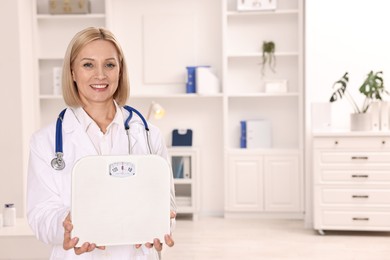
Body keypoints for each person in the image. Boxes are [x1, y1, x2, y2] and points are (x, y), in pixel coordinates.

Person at [26, 27, 176, 260]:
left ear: (120, 71)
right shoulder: (45, 142)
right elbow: (40, 214)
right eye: (88, 65)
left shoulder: (148, 135)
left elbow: (167, 205)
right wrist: (63, 227)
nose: (100, 75)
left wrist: (162, 225)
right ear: (72, 72)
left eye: (109, 64)